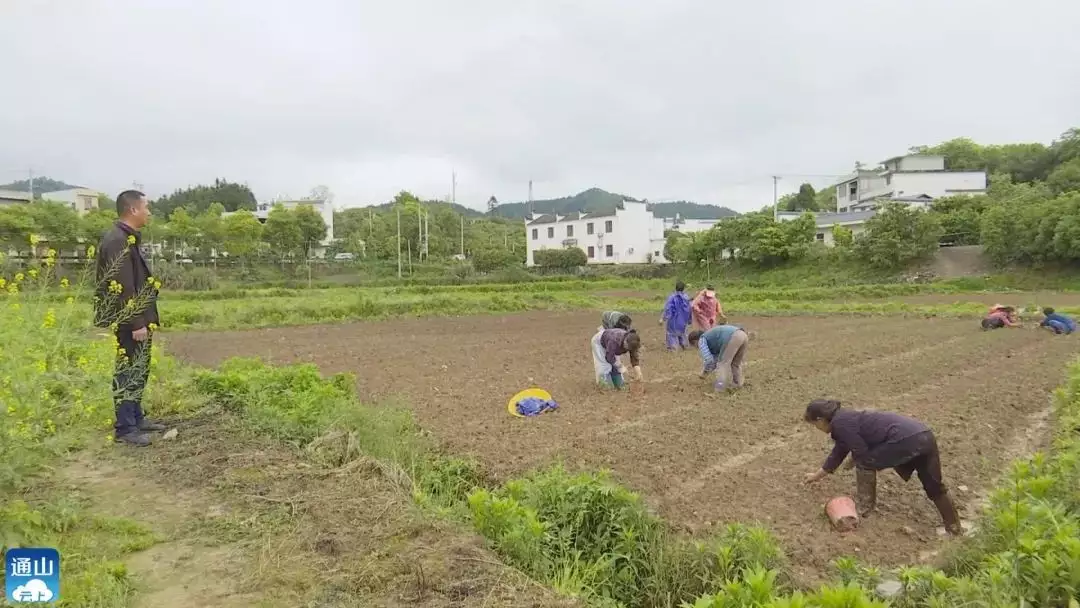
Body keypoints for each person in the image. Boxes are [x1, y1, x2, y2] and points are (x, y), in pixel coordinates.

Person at [802, 399, 962, 536]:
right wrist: (817, 475)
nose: (818, 428)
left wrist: (854, 460)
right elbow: (840, 451)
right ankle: (954, 528)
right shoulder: (845, 418)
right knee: (934, 486)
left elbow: (860, 452)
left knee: (864, 462)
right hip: (923, 434)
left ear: (820, 419)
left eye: (815, 425)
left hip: (903, 439)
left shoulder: (840, 423)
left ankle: (864, 509)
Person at [94, 190, 164, 447]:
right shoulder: (117, 240)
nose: (148, 212)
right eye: (146, 207)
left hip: (138, 316)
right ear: (133, 210)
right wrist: (136, 322)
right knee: (128, 371)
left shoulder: (128, 238)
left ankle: (136, 418)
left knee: (138, 370)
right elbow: (122, 285)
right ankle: (125, 428)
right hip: (130, 320)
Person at [688, 324, 748, 392]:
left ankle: (719, 388)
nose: (697, 347)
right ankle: (738, 383)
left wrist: (704, 373)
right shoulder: (713, 339)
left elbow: (709, 360)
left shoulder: (701, 340)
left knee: (722, 364)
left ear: (695, 341)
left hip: (732, 336)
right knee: (735, 363)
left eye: (694, 345)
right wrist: (707, 371)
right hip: (743, 335)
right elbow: (714, 361)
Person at [660, 281, 692, 350]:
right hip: (683, 321)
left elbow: (667, 308)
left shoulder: (672, 297)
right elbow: (690, 309)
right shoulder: (686, 297)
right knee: (683, 333)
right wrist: (689, 320)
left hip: (673, 320)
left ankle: (673, 348)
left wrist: (663, 318)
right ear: (683, 289)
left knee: (671, 334)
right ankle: (684, 346)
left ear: (676, 288)